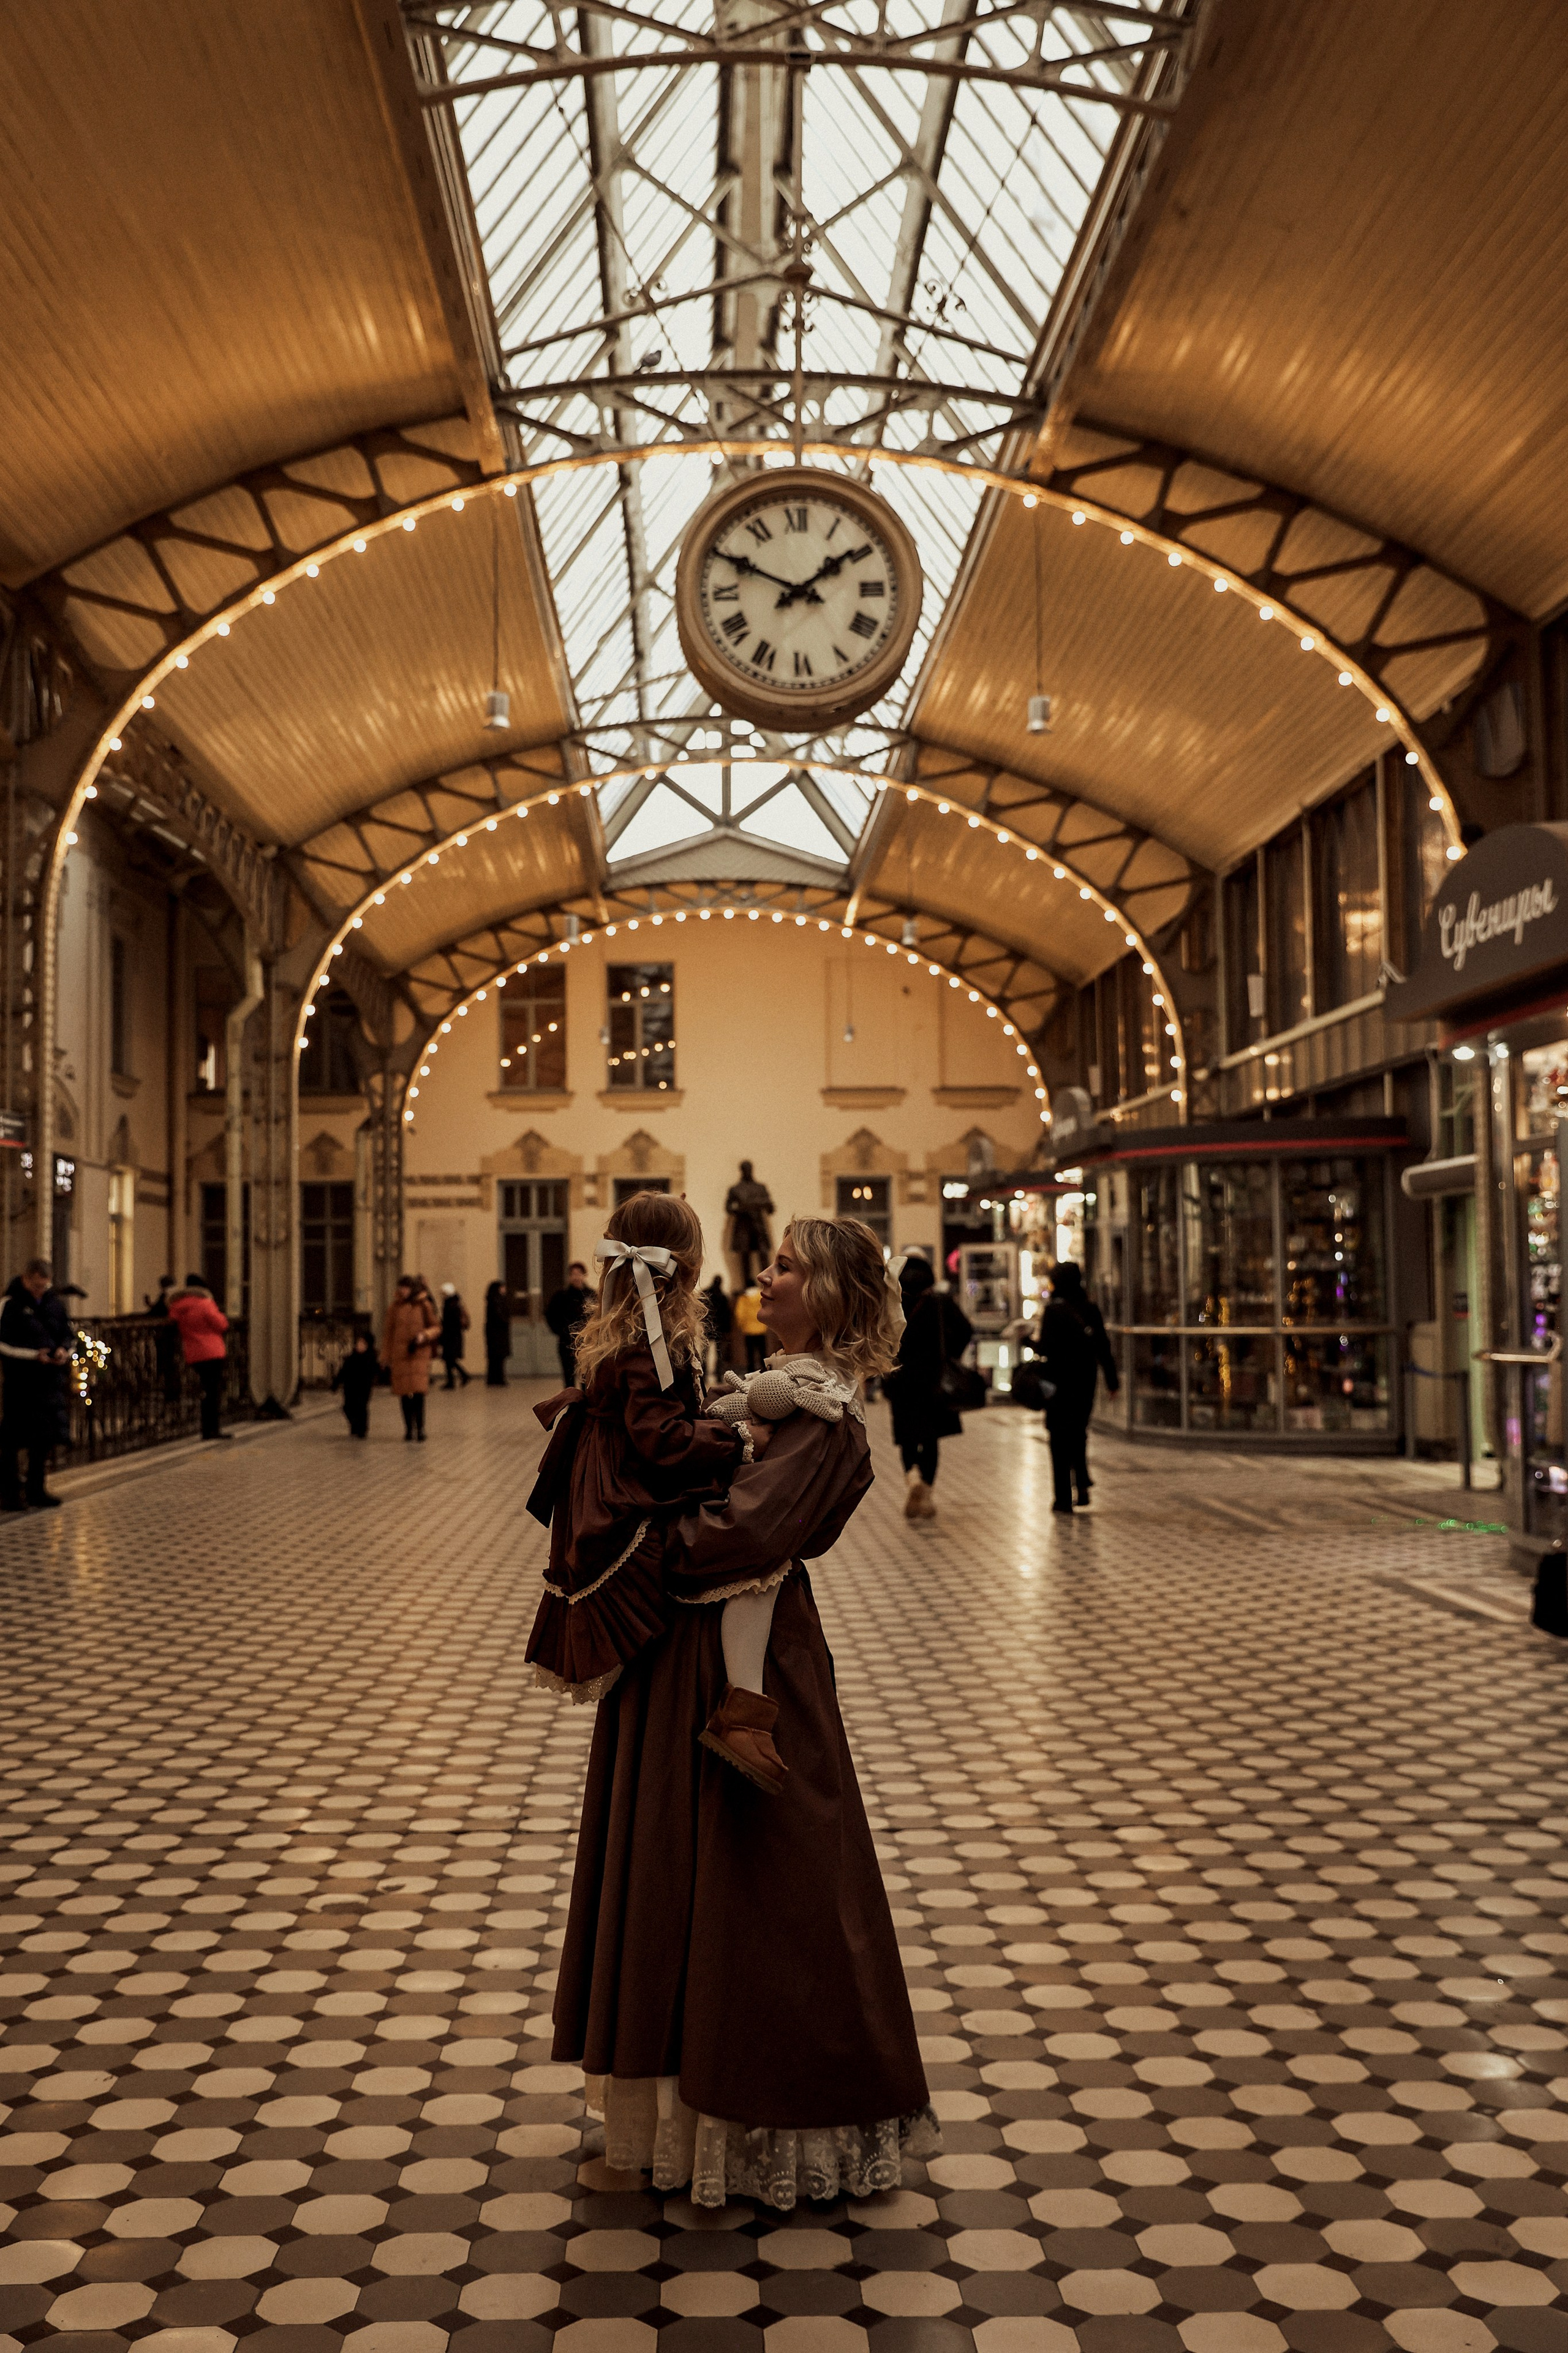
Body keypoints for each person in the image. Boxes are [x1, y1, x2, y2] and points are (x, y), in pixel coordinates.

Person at [551, 1214, 939, 2210]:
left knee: (745, 1897)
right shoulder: (771, 1394)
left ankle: (757, 2130)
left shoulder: (827, 1422)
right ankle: (667, 2130)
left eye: (788, 1267)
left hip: (738, 1681)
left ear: (838, 1297)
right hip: (679, 1663)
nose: (766, 1277)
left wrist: (627, 1509)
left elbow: (725, 1541)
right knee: (673, 1887)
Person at [524, 1194, 753, 1720]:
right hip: (628, 1492)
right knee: (743, 1560)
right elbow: (664, 1440)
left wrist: (712, 1405)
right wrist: (735, 1440)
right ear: (686, 1270)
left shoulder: (630, 1331)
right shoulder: (648, 1344)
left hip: (614, 1476)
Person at [884, 1255, 973, 1520]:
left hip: (900, 1382)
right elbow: (966, 1330)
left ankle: (912, 1476)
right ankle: (926, 1489)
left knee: (907, 1436)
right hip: (934, 1381)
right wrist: (950, 1354)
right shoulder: (940, 1302)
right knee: (931, 1438)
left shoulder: (892, 1304)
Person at [1036, 1260, 1120, 1514]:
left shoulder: (1053, 1311)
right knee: (1078, 1432)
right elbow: (1103, 1346)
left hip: (1058, 1383)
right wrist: (1112, 1381)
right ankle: (1081, 1485)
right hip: (1085, 1380)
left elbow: (1046, 1349)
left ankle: (1063, 1498)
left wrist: (1026, 1340)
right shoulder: (1090, 1309)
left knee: (1059, 1438)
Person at [0, 1258, 72, 1509]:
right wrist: (34, 1355)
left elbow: (67, 1334)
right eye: (36, 1286)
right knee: (12, 1439)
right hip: (21, 1382)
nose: (40, 1291)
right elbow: (3, 1344)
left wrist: (64, 1350)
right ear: (26, 1278)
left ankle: (36, 1489)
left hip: (49, 1383)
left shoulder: (54, 1304)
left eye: (45, 1286)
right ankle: (10, 1493)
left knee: (43, 1439)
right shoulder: (10, 1305)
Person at [168, 1274, 231, 1442]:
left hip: (194, 1353)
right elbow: (222, 1324)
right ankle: (213, 1429)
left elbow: (173, 1323)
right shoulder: (205, 1304)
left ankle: (206, 1430)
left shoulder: (177, 1306)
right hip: (213, 1352)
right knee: (213, 1392)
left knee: (206, 1391)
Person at [379, 1273, 439, 1441]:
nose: (403, 1291)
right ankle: (408, 1429)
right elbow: (388, 1334)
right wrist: (385, 1357)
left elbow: (436, 1327)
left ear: (412, 1289)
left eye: (406, 1288)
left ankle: (420, 1429)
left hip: (419, 1354)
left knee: (419, 1393)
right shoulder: (394, 1307)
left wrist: (424, 1336)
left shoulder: (424, 1305)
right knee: (405, 1394)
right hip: (400, 1356)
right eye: (401, 1288)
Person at [723, 1159, 775, 1282]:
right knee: (744, 1256)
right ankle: (747, 1285)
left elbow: (771, 1208)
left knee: (763, 1254)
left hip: (758, 1226)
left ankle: (768, 1281)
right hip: (744, 1227)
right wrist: (742, 1208)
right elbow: (729, 1208)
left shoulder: (760, 1188)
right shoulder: (736, 1189)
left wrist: (758, 1204)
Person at [545, 1261, 594, 1386]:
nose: (576, 1277)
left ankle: (586, 1404)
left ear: (584, 1275)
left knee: (586, 1377)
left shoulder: (591, 1295)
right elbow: (550, 1315)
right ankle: (572, 1403)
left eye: (579, 1274)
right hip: (566, 1342)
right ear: (569, 1276)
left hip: (587, 1343)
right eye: (573, 1274)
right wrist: (560, 1330)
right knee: (569, 1376)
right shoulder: (561, 1296)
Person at [331, 1330, 377, 1438]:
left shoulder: (371, 1358)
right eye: (359, 1343)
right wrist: (336, 1384)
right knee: (348, 1407)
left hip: (363, 1388)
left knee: (361, 1408)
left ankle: (362, 1429)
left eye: (363, 1343)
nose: (359, 1345)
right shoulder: (352, 1357)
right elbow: (343, 1371)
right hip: (350, 1388)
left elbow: (374, 1372)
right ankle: (355, 1425)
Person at [701, 1273, 733, 1379]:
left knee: (704, 1353)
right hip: (720, 1329)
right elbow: (727, 1315)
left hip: (706, 1327)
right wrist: (728, 1330)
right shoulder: (723, 1297)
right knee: (719, 1353)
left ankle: (703, 1374)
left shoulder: (705, 1294)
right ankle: (719, 1375)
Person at [439, 1282, 470, 1388]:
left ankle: (458, 1378)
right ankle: (454, 1380)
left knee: (450, 1359)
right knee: (449, 1360)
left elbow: (451, 1322)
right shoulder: (454, 1303)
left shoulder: (451, 1305)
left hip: (451, 1336)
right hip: (452, 1335)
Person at [734, 1278, 767, 1372]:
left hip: (748, 1329)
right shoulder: (760, 1295)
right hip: (761, 1328)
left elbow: (739, 1313)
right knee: (762, 1352)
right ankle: (765, 1369)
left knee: (750, 1353)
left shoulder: (743, 1298)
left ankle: (751, 1370)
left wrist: (741, 1325)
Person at [483, 1280, 511, 1386]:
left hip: (494, 1334)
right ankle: (498, 1379)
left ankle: (493, 1378)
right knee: (499, 1357)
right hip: (498, 1334)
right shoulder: (497, 1301)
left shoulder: (492, 1300)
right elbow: (501, 1317)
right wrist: (506, 1321)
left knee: (494, 1358)